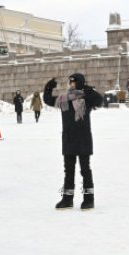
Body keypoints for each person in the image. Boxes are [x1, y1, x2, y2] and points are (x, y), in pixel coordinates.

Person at [43, 74, 103, 210]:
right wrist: (48, 88)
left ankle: (89, 199)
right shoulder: (64, 99)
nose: (70, 85)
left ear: (80, 83)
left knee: (85, 170)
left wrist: (88, 91)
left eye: (73, 82)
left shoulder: (86, 98)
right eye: (69, 82)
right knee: (68, 171)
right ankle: (67, 199)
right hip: (69, 138)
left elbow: (100, 100)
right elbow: (48, 100)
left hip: (83, 139)